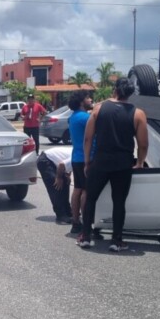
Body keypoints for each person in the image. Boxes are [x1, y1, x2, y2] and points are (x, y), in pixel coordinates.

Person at [77, 78, 148, 252]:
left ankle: (86, 236)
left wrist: (87, 161)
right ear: (130, 93)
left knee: (91, 198)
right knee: (119, 202)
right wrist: (139, 162)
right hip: (123, 164)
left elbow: (88, 138)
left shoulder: (99, 109)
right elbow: (143, 143)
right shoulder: (138, 114)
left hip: (100, 161)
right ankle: (116, 240)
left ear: (115, 90)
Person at [67, 91, 94, 234]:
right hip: (86, 158)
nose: (90, 100)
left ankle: (75, 221)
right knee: (86, 191)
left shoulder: (72, 118)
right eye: (88, 98)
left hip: (76, 157)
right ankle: (86, 223)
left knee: (77, 189)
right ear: (81, 102)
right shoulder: (86, 118)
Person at [36, 146, 73, 224]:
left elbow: (70, 166)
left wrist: (67, 175)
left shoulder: (79, 155)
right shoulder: (78, 156)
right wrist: (59, 177)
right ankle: (61, 215)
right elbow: (62, 165)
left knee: (66, 182)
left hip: (55, 162)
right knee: (56, 185)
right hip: (45, 160)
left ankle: (68, 211)